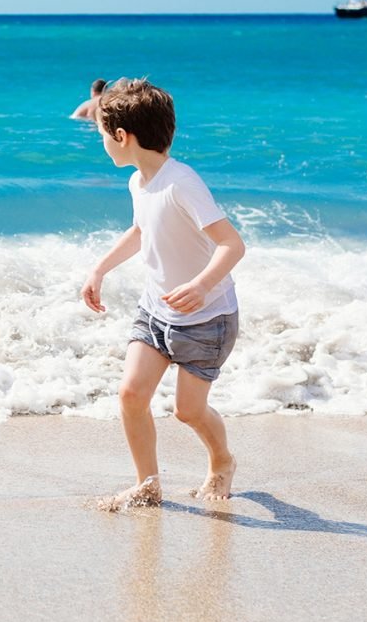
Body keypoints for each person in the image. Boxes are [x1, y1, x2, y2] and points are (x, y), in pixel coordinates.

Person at [79, 77, 246, 511]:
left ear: (121, 136)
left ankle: (222, 459)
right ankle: (147, 484)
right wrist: (100, 268)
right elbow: (141, 230)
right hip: (155, 312)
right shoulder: (139, 182)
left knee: (188, 411)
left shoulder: (181, 183)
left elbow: (232, 244)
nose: (102, 144)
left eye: (102, 135)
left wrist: (202, 284)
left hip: (206, 319)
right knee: (131, 395)